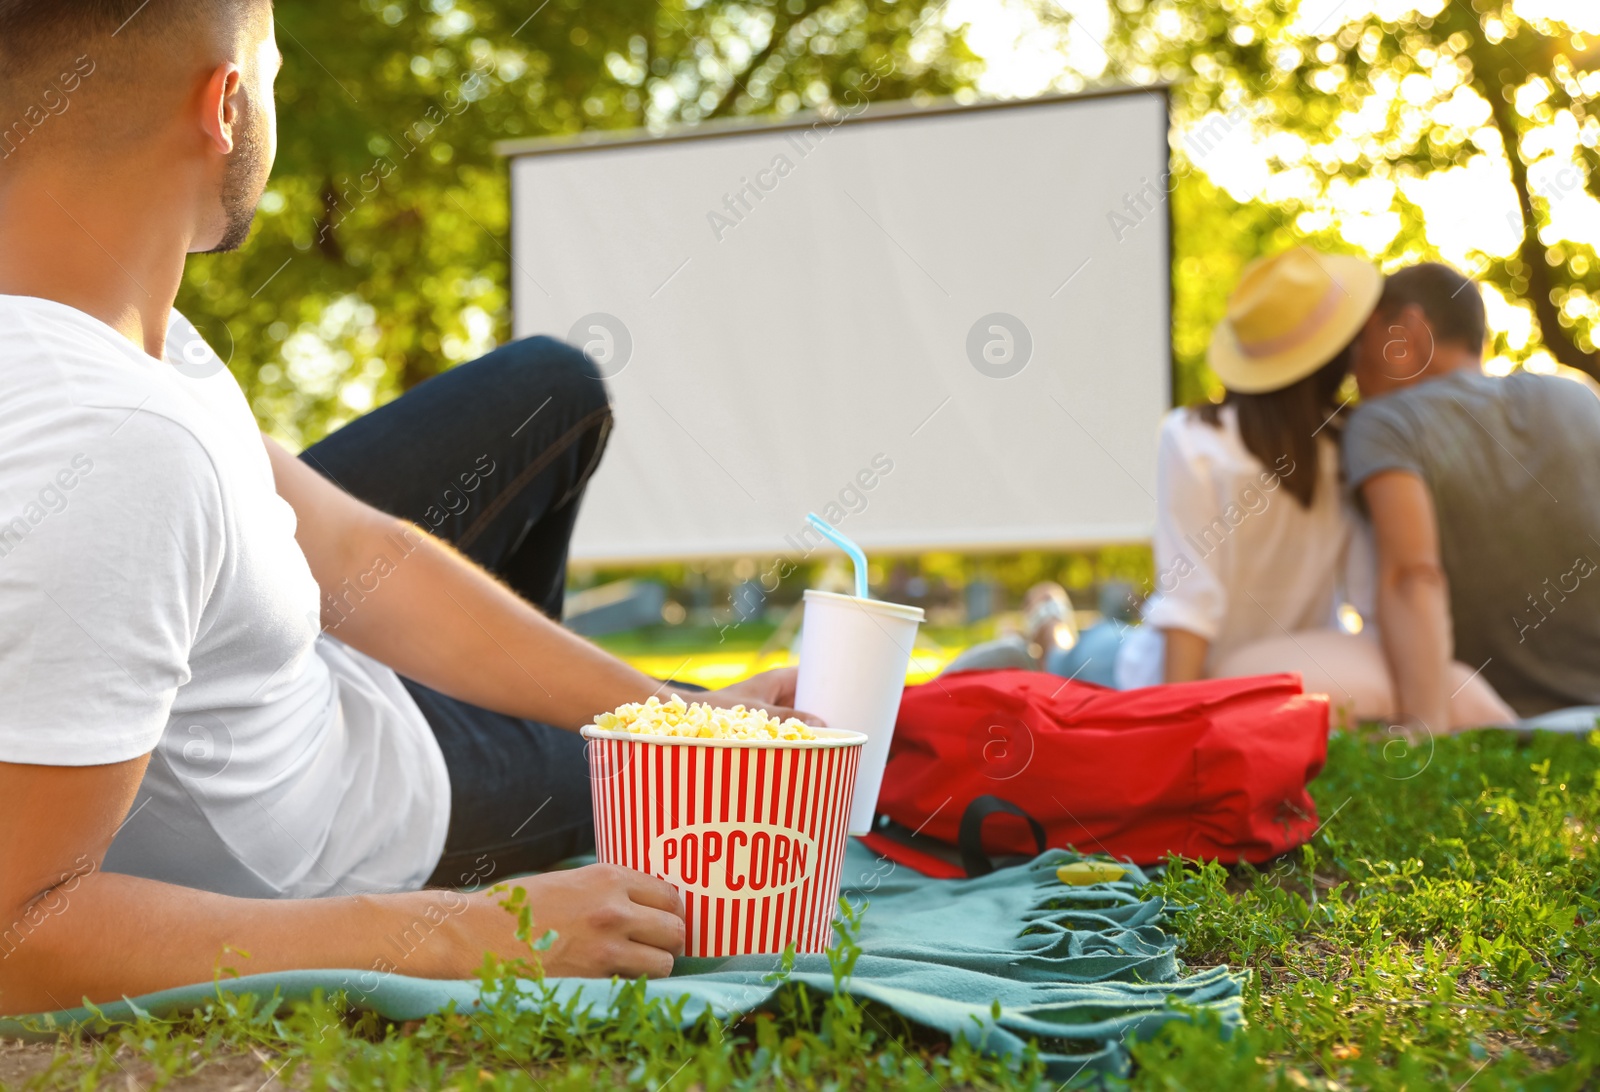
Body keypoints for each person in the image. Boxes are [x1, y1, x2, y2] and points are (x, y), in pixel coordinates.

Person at [0, 0, 811, 1016]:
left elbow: (350, 547)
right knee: (618, 781)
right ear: (226, 103)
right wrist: (464, 931)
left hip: (295, 670)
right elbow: (15, 935)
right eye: (278, 71)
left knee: (549, 396)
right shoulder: (120, 445)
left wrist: (676, 712)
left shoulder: (118, 336)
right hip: (375, 809)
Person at [1107, 248, 1513, 730]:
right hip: (1302, 673)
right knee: (1099, 647)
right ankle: (1051, 634)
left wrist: (1177, 723)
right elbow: (1370, 598)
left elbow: (1189, 603)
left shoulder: (1191, 436)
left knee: (1108, 645)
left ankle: (1050, 633)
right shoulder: (1354, 440)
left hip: (1202, 672)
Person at [1341, 262, 1600, 731]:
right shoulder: (1578, 398)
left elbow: (1412, 576)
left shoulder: (1385, 425)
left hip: (1499, 720)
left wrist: (1424, 735)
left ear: (1410, 332)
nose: (1355, 367)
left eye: (1363, 342)